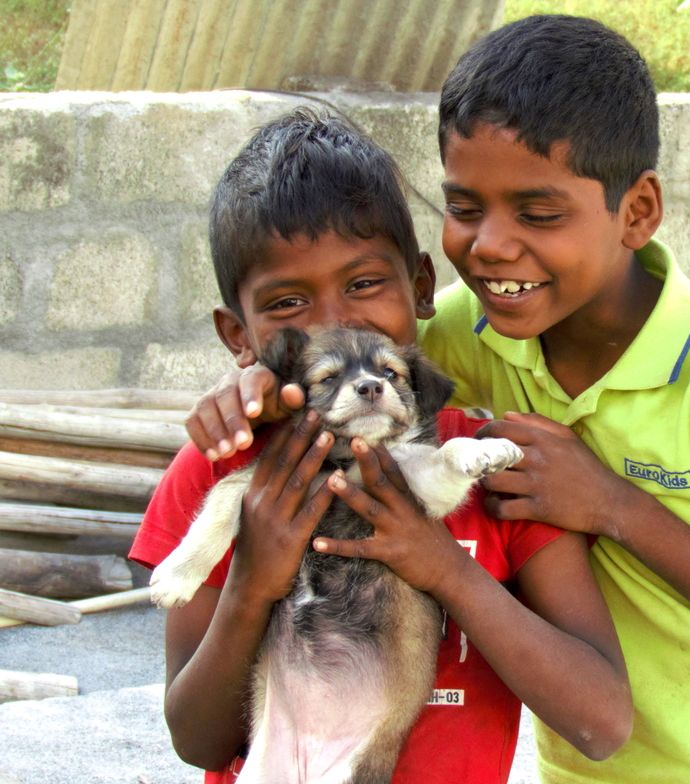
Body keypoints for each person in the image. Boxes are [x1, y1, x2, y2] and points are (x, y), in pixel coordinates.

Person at [187, 15, 690, 784]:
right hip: (581, 764)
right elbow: (337, 361)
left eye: (537, 214)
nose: (492, 246)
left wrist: (612, 505)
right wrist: (255, 384)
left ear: (636, 212)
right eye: (465, 208)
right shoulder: (471, 333)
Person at [128, 106, 632, 784]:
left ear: (421, 287)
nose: (336, 325)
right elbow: (198, 739)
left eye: (364, 284)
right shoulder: (223, 469)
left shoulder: (492, 467)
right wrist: (253, 582)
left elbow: (600, 722)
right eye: (288, 304)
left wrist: (444, 568)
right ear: (238, 335)